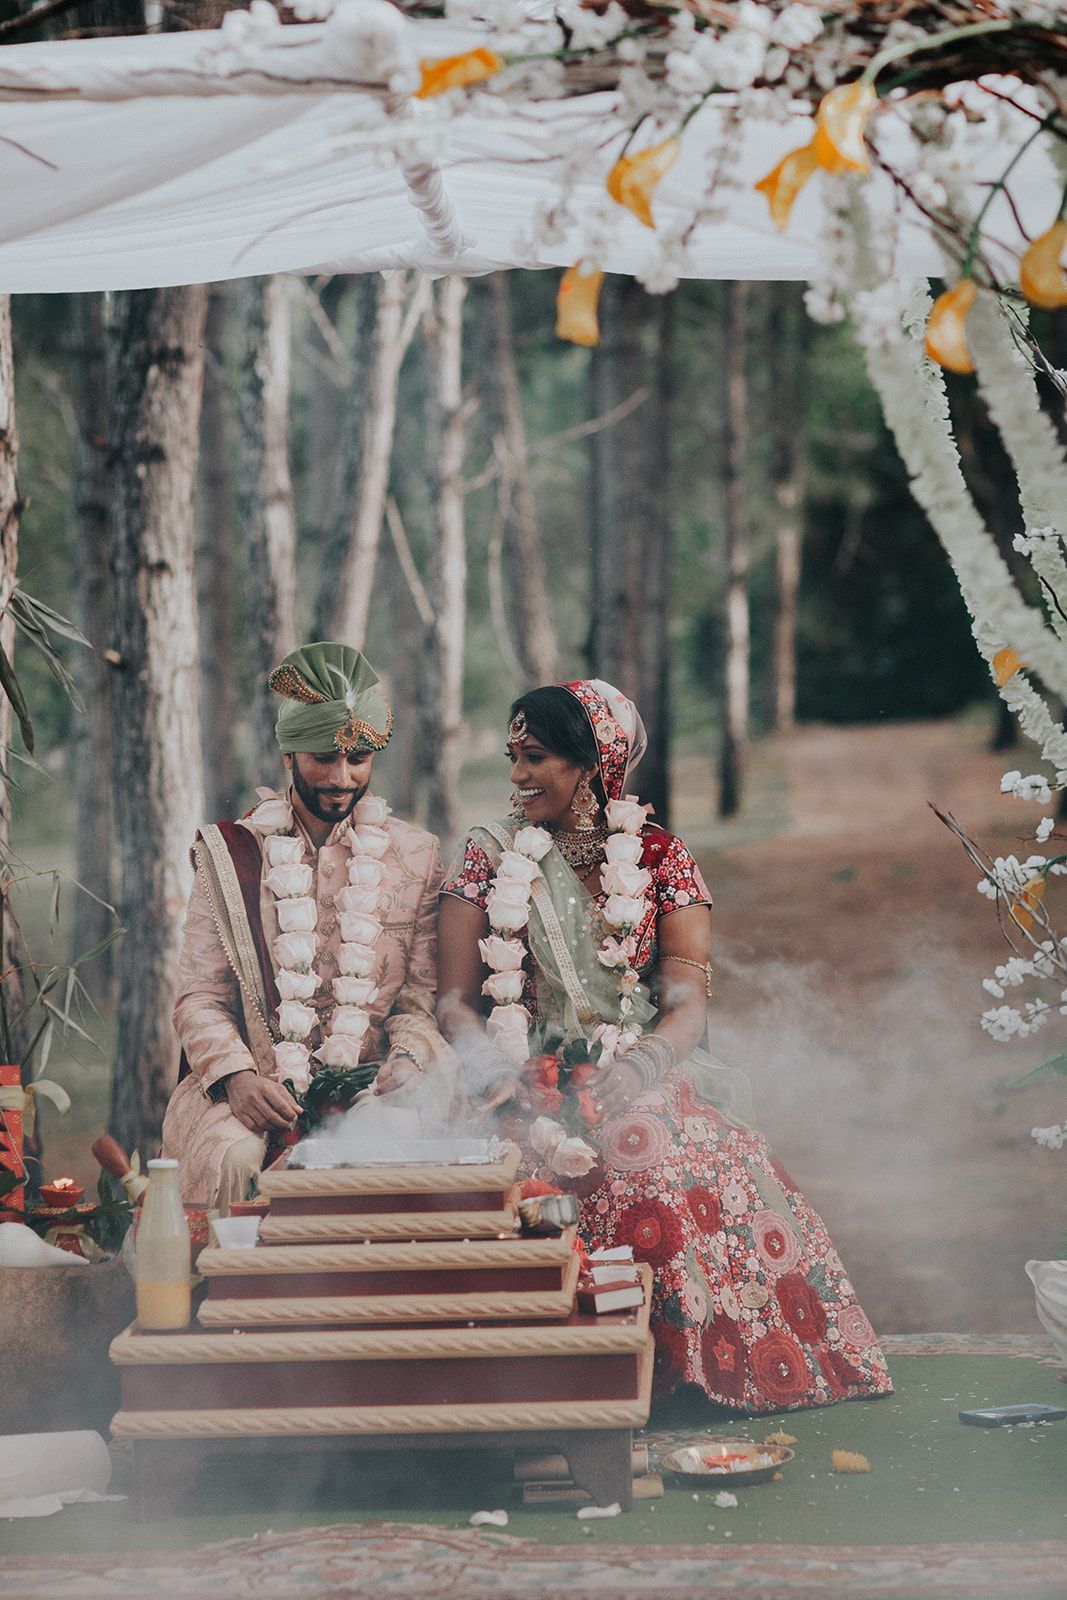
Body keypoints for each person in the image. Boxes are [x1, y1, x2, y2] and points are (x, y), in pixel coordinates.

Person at [439, 679, 892, 1412]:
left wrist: (642, 1063)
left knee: (648, 1146)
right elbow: (453, 1002)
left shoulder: (658, 855)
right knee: (518, 1164)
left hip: (636, 1061)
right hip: (508, 1068)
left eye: (536, 757)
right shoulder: (486, 854)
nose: (517, 775)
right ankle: (539, 1379)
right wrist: (497, 1067)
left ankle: (686, 1374)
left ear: (593, 764)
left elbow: (686, 1000)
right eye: (512, 756)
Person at [162, 642, 456, 1207]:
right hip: (250, 1086)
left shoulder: (415, 855)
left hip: (371, 1080)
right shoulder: (231, 854)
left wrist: (409, 1059)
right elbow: (199, 997)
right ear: (288, 754)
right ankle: (229, 1296)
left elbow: (419, 1001)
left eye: (360, 759)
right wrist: (238, 1078)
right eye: (323, 756)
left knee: (388, 1140)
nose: (342, 777)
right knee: (234, 1158)